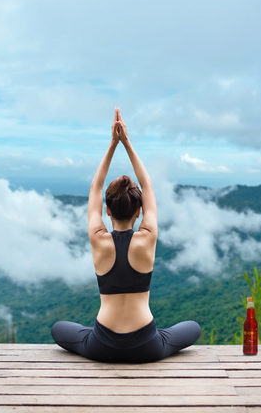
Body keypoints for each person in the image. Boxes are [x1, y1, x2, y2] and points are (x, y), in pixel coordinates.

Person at [51, 108, 201, 363]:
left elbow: (95, 187)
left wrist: (112, 144)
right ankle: (159, 336)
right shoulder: (147, 237)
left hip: (101, 345)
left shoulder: (98, 238)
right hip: (147, 346)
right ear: (140, 211)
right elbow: (148, 186)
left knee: (59, 328)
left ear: (107, 210)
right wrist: (127, 143)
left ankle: (95, 336)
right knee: (193, 327)